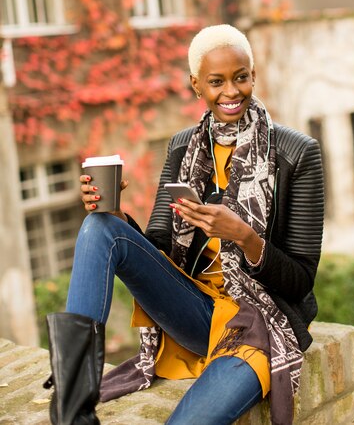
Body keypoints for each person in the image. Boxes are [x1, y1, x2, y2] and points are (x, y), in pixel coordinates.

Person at [43, 24, 324, 425]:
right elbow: (158, 250)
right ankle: (71, 412)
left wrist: (244, 237)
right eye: (216, 81)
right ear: (196, 85)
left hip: (257, 324)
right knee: (99, 226)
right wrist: (117, 215)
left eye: (240, 77)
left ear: (253, 75)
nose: (231, 92)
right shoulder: (182, 147)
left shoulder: (297, 153)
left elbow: (301, 280)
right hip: (196, 311)